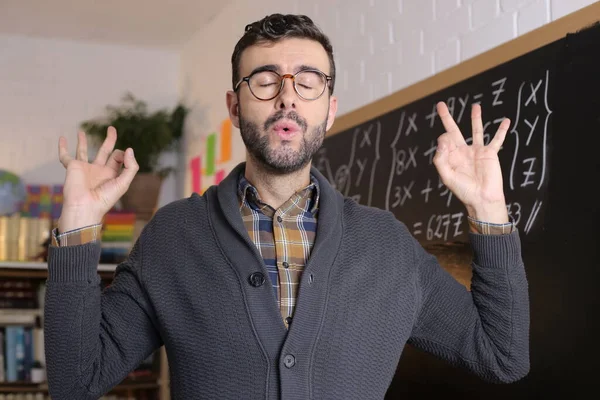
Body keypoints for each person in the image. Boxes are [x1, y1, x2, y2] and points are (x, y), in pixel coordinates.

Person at [45, 13, 530, 400]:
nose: (286, 98)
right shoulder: (173, 237)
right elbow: (77, 380)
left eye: (308, 81)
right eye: (264, 80)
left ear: (330, 108)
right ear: (235, 107)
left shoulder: (387, 246)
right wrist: (78, 226)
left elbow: (502, 356)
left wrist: (489, 208)